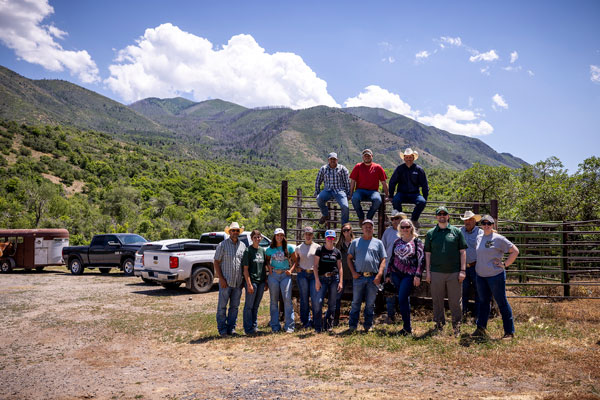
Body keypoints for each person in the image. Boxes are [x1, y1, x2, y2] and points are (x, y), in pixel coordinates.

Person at [472, 215, 519, 339]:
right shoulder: (479, 237)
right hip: (481, 276)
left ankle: (509, 332)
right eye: (484, 223)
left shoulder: (498, 238)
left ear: (493, 225)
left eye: (489, 223)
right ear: (481, 224)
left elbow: (515, 251)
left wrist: (505, 264)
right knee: (483, 302)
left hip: (495, 276)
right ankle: (480, 329)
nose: (486, 225)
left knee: (501, 302)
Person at [424, 206, 467, 336]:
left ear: (448, 216)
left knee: (455, 301)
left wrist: (463, 270)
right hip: (436, 272)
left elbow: (463, 252)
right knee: (437, 300)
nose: (442, 216)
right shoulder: (431, 233)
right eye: (439, 214)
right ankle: (439, 324)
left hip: (454, 272)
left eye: (444, 214)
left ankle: (456, 325)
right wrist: (428, 271)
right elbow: (427, 253)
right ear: (436, 217)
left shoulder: (456, 232)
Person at [385, 219, 424, 336]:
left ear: (411, 228)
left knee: (402, 298)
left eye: (407, 227)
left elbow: (421, 260)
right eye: (402, 227)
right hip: (396, 274)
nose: (405, 229)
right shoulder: (397, 242)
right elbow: (392, 259)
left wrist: (418, 275)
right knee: (403, 299)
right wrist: (388, 274)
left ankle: (407, 327)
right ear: (399, 229)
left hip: (409, 275)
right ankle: (406, 326)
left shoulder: (417, 242)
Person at [347, 219, 387, 333]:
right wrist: (353, 272)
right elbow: (349, 258)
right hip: (359, 277)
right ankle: (352, 325)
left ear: (373, 229)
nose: (368, 229)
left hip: (373, 277)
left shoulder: (378, 243)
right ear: (362, 229)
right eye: (365, 227)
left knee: (370, 303)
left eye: (370, 227)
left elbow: (383, 259)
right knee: (356, 302)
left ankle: (368, 325)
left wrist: (379, 275)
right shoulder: (355, 242)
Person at [214, 222, 247, 337]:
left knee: (234, 307)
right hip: (226, 282)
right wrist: (221, 279)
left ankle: (231, 329)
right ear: (229, 232)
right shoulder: (222, 245)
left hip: (238, 282)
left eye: (237, 230)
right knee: (222, 307)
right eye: (233, 230)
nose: (235, 233)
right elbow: (216, 262)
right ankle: (222, 330)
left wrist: (243, 280)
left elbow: (243, 265)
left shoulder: (242, 246)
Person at [265, 228, 296, 333]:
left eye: (281, 235)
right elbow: (267, 260)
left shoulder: (289, 248)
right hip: (274, 276)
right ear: (274, 236)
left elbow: (296, 260)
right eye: (277, 235)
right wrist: (269, 269)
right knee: (274, 301)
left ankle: (289, 326)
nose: (279, 237)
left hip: (285, 275)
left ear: (283, 236)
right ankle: (275, 325)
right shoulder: (270, 249)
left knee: (287, 299)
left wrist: (291, 270)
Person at [388, 148, 429, 227]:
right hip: (401, 193)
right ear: (404, 158)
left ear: (413, 158)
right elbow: (392, 182)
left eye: (410, 157)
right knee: (395, 200)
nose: (408, 159)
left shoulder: (419, 170)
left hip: (415, 194)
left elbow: (424, 184)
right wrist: (391, 195)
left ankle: (414, 220)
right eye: (407, 157)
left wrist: (425, 197)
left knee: (422, 202)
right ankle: (401, 220)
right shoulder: (399, 169)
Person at [313, 230, 344, 332]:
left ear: (334, 239)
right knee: (318, 302)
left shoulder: (337, 252)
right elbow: (315, 266)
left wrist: (340, 282)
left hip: (334, 278)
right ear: (325, 239)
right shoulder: (320, 250)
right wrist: (317, 280)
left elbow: (340, 267)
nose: (330, 240)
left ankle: (328, 324)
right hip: (322, 278)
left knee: (332, 303)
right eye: (328, 238)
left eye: (332, 238)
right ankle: (317, 325)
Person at [381, 209, 408, 324]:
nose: (395, 220)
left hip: (404, 267)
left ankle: (405, 317)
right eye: (393, 219)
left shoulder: (406, 231)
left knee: (404, 293)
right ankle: (391, 316)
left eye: (397, 218)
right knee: (389, 292)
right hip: (389, 267)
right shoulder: (387, 232)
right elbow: (382, 249)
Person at [350, 149, 389, 223]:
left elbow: (384, 182)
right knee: (354, 198)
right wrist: (351, 194)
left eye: (368, 155)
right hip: (360, 190)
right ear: (363, 157)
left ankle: (369, 217)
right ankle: (361, 217)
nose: (367, 157)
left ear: (372, 156)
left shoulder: (377, 167)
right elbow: (353, 181)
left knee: (378, 200)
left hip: (373, 191)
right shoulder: (358, 166)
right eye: (365, 156)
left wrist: (387, 195)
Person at [242, 229, 268, 335]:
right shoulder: (248, 251)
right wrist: (248, 284)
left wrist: (265, 281)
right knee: (249, 306)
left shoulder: (262, 250)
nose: (257, 239)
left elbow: (264, 267)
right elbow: (245, 269)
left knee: (256, 305)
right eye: (255, 237)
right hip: (252, 281)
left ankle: (254, 326)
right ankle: (248, 329)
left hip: (261, 281)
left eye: (259, 237)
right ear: (251, 239)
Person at [315, 152, 351, 224]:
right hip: (327, 190)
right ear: (328, 160)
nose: (332, 160)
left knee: (345, 207)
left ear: (337, 160)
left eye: (334, 159)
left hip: (339, 190)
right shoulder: (323, 169)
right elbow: (318, 181)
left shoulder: (342, 169)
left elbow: (347, 182)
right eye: (331, 159)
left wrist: (348, 193)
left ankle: (344, 225)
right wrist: (317, 191)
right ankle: (325, 214)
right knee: (319, 199)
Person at [295, 226, 320, 329]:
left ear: (312, 235)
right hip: (303, 274)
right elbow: (295, 260)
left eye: (310, 234)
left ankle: (316, 320)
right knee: (304, 298)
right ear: (304, 235)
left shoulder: (317, 247)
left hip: (314, 275)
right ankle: (305, 321)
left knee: (315, 299)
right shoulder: (299, 248)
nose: (308, 236)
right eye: (306, 234)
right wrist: (297, 267)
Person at [460, 210, 482, 320]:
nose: (467, 222)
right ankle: (463, 314)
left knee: (478, 291)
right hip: (463, 267)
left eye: (470, 220)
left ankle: (477, 315)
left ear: (474, 221)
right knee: (464, 291)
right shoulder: (460, 231)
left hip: (476, 266)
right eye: (466, 220)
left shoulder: (480, 233)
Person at [334, 222, 354, 326]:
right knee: (337, 298)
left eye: (347, 230)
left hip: (353, 274)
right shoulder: (339, 245)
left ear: (351, 231)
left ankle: (354, 321)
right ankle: (335, 320)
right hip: (342, 275)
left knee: (356, 298)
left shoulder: (355, 243)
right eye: (344, 230)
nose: (346, 232)